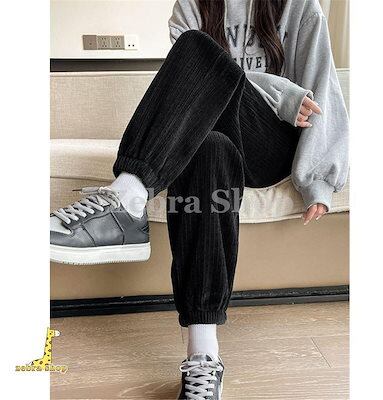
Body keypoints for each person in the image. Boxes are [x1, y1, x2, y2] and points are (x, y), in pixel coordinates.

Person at [50, 0, 349, 398]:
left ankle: (127, 197)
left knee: (199, 49)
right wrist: (279, 90)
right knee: (208, 146)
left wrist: (319, 178)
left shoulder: (298, 5)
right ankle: (203, 354)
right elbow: (194, 85)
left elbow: (323, 85)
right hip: (221, 132)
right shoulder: (191, 6)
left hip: (270, 142)